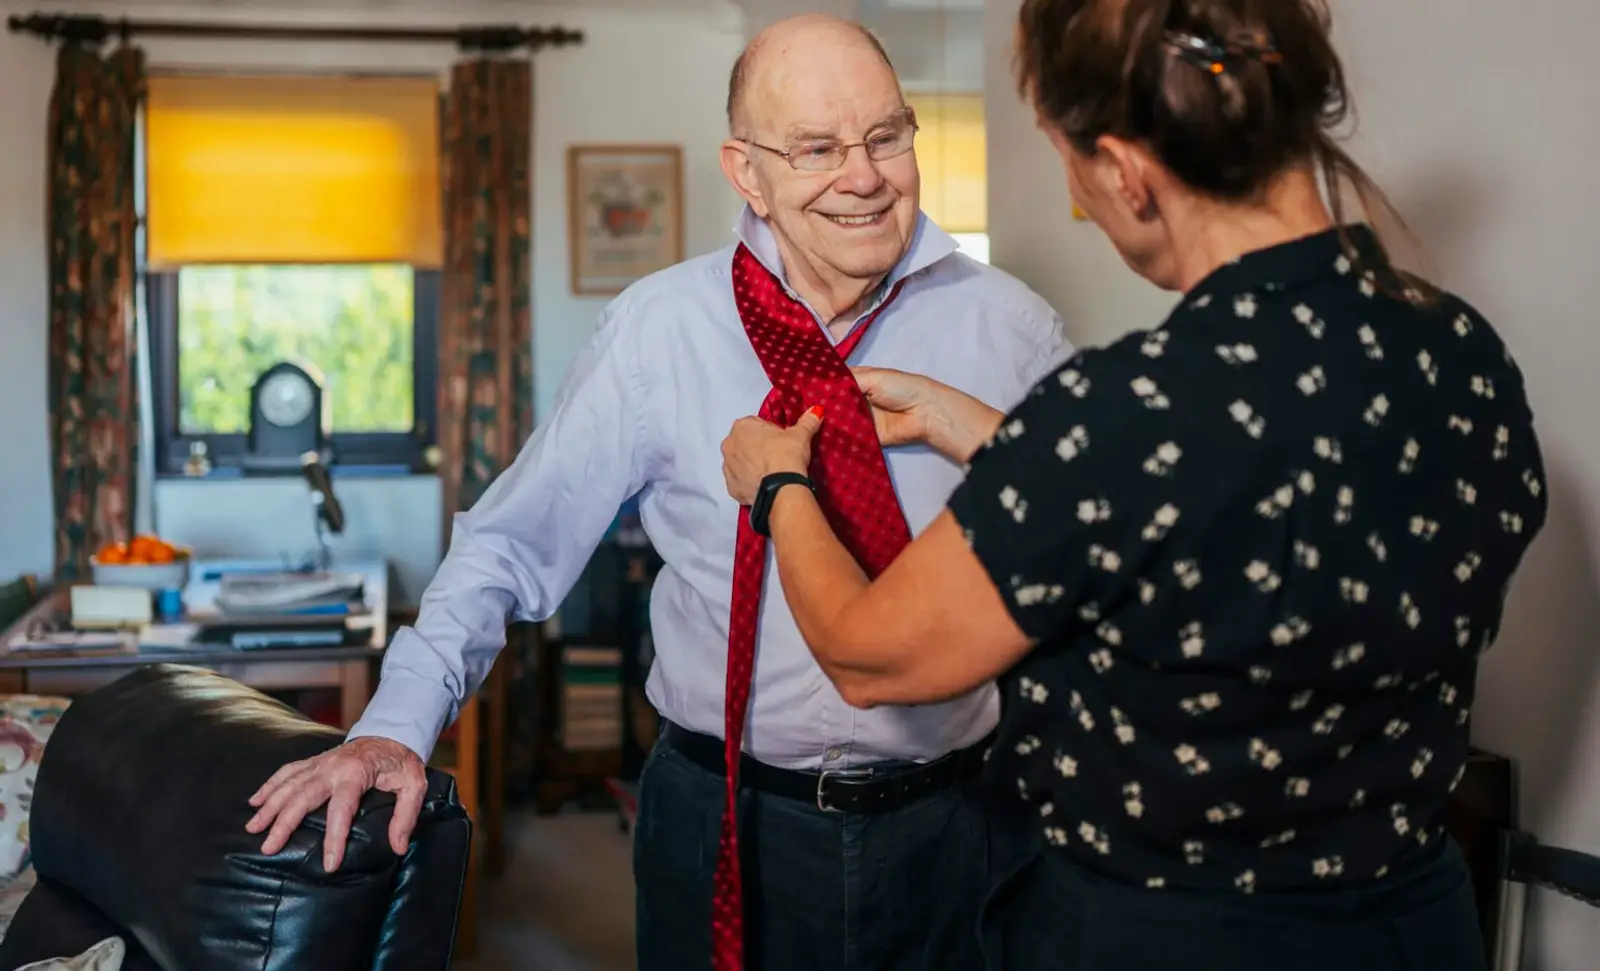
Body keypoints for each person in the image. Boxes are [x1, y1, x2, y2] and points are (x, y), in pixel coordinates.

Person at [717, 1, 1548, 969]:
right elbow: (1243, 517)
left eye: (1076, 176)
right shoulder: (1457, 352)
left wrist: (779, 486)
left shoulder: (1122, 414)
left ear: (1126, 169)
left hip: (1169, 939)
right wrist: (989, 434)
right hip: (1413, 923)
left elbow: (869, 657)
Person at [244, 13, 1070, 971]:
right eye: (816, 148)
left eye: (887, 136)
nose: (864, 176)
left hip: (962, 818)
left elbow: (1090, 566)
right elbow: (512, 543)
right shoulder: (657, 330)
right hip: (723, 816)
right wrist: (394, 726)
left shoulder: (1015, 332)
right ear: (745, 170)